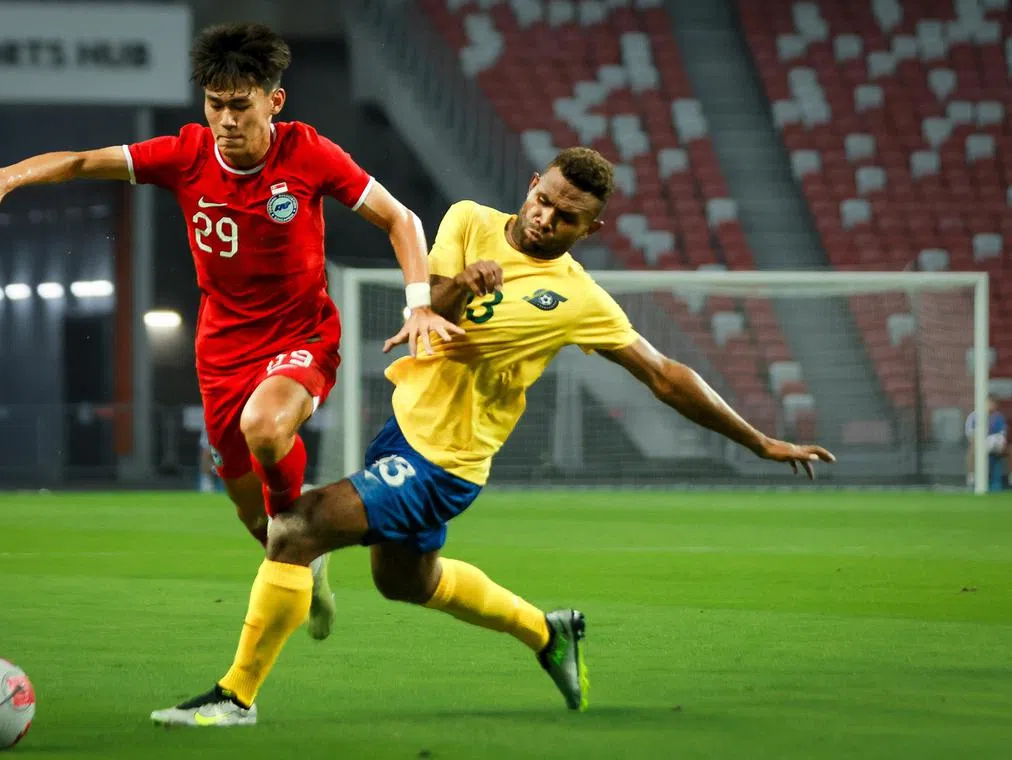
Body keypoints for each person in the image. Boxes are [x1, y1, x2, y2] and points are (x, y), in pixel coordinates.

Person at [149, 147, 836, 727]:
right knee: (403, 584)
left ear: (590, 228)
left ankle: (236, 696)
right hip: (403, 431)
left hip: (446, 462)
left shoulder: (578, 298)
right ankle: (549, 631)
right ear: (532, 184)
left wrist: (758, 442)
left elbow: (664, 376)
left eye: (568, 216)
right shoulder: (469, 221)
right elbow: (426, 307)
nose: (546, 218)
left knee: (294, 530)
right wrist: (460, 286)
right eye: (545, 200)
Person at [0, 22, 460, 641]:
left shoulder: (309, 154)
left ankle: (300, 530)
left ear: (274, 100)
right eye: (216, 105)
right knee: (253, 515)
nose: (227, 120)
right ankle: (304, 548)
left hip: (301, 336)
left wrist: (419, 303)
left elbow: (402, 219)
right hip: (221, 354)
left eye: (241, 105)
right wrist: (5, 176)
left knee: (266, 429)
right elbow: (81, 161)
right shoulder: (185, 155)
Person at [965, 395, 1007, 491]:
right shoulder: (973, 416)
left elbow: (1002, 434)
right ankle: (972, 477)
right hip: (979, 444)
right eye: (989, 402)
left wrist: (998, 443)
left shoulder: (998, 417)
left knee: (1009, 449)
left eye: (992, 403)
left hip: (994, 444)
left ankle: (1007, 479)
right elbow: (970, 435)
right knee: (972, 450)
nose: (991, 405)